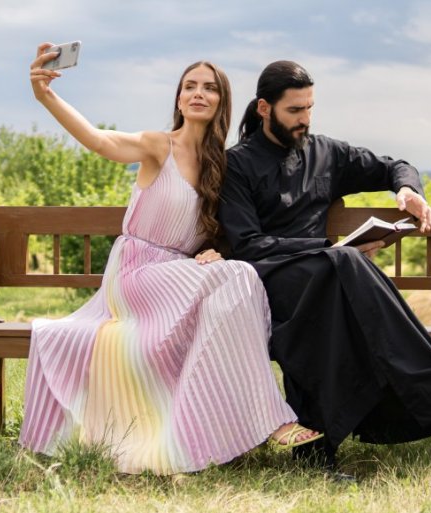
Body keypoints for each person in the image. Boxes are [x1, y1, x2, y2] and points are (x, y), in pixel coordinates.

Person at [20, 46, 322, 475]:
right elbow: (99, 140)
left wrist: (217, 250)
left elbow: (231, 229)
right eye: (190, 86)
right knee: (238, 275)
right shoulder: (156, 146)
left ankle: (214, 429)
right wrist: (45, 96)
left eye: (209, 88)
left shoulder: (223, 165)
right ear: (179, 99)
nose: (198, 93)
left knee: (237, 278)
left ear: (221, 101)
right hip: (135, 273)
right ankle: (272, 418)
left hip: (178, 275)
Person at [219, 60, 431, 469]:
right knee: (341, 265)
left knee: (333, 289)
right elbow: (249, 245)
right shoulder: (236, 165)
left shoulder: (326, 153)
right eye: (295, 110)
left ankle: (317, 454)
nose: (305, 119)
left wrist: (407, 190)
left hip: (325, 280)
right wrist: (328, 247)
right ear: (264, 109)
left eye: (310, 108)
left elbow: (395, 166)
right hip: (268, 282)